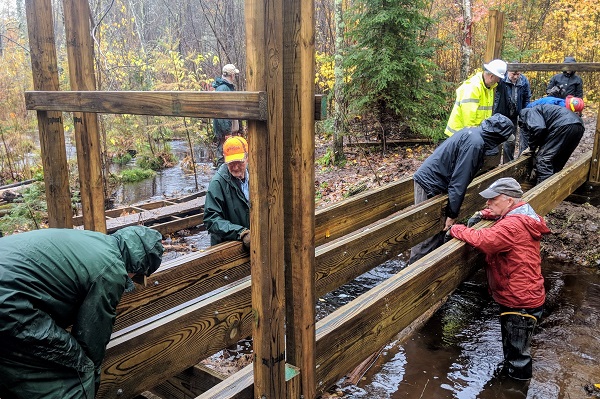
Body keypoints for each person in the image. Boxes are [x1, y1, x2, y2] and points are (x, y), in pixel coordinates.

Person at [0, 226, 164, 399]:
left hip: (10, 292)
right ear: (137, 267)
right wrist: (92, 384)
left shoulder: (93, 240)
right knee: (79, 372)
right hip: (10, 303)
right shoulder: (112, 270)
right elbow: (91, 342)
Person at [449, 177, 550, 380]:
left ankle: (516, 388)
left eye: (493, 200)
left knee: (517, 359)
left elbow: (483, 240)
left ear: (509, 200)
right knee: (515, 348)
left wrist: (456, 229)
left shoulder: (511, 226)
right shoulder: (522, 214)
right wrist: (489, 213)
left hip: (519, 300)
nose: (488, 203)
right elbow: (505, 221)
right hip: (526, 294)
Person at [408, 113, 514, 264]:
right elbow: (459, 182)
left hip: (438, 182)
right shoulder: (475, 144)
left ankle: (432, 267)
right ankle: (415, 272)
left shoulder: (476, 135)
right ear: (498, 137)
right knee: (427, 233)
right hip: (430, 184)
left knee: (437, 231)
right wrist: (452, 215)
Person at [518, 98, 585, 184]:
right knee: (557, 160)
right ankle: (554, 187)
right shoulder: (545, 110)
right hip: (579, 126)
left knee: (543, 159)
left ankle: (543, 191)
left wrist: (531, 147)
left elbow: (538, 128)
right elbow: (545, 134)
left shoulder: (530, 112)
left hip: (564, 124)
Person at [204, 136, 251, 248]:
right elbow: (211, 219)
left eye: (239, 162)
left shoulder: (256, 175)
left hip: (252, 244)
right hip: (227, 247)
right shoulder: (217, 183)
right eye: (230, 163)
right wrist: (241, 232)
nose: (235, 167)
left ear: (247, 157)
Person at [444, 59, 507, 137]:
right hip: (461, 134)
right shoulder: (473, 87)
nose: (498, 81)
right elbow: (469, 119)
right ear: (491, 76)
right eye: (498, 78)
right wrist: (474, 137)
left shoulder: (489, 87)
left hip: (474, 133)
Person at [493, 68, 531, 162]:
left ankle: (508, 164)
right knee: (496, 140)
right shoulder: (501, 79)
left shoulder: (523, 81)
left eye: (518, 74)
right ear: (508, 71)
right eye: (513, 74)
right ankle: (494, 164)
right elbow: (495, 95)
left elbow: (527, 98)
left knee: (510, 142)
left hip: (514, 115)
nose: (515, 77)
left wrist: (524, 113)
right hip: (500, 114)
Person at [212, 63, 241, 167]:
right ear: (232, 75)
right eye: (234, 75)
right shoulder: (223, 88)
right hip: (226, 134)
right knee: (223, 158)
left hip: (229, 133)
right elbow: (221, 114)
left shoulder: (226, 88)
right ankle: (221, 181)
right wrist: (227, 132)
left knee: (229, 158)